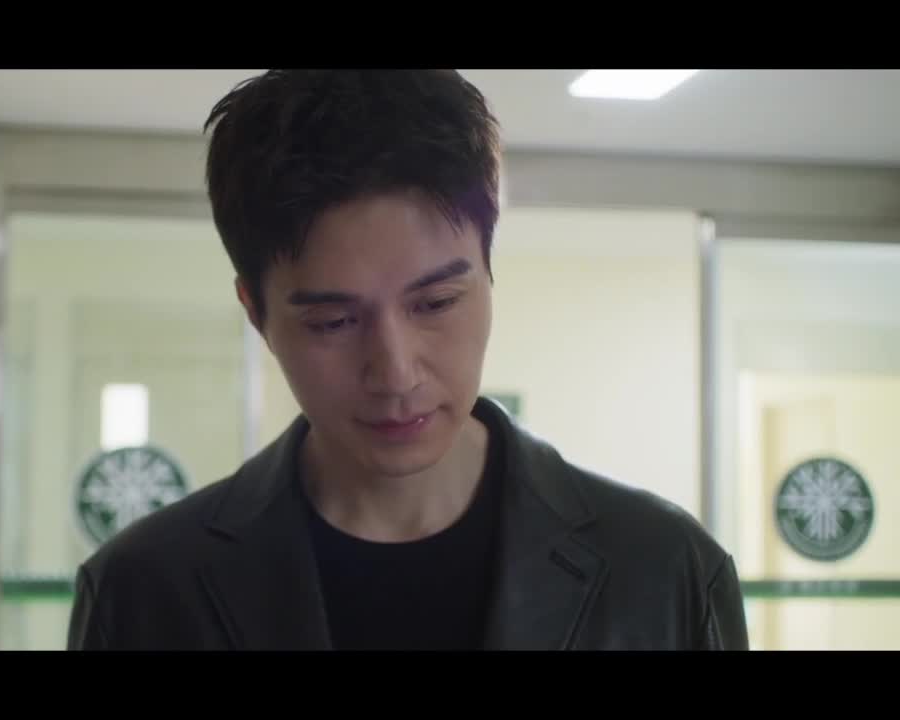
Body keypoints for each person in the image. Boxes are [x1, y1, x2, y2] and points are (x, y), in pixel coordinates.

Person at [66, 69, 749, 650]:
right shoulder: (144, 589)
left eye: (436, 303)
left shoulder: (667, 571)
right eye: (333, 321)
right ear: (256, 313)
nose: (395, 373)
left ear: (488, 273)